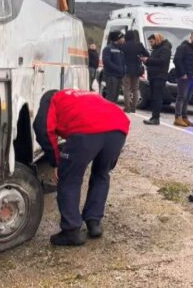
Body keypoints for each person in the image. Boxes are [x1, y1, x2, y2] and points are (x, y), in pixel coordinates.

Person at [34, 89, 130, 246]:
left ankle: (71, 231)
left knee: (70, 179)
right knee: (101, 174)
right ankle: (94, 222)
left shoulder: (51, 98)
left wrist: (56, 161)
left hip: (87, 130)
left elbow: (42, 128)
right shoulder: (83, 95)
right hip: (118, 127)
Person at [172, 31, 193, 127]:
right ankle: (178, 118)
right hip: (185, 77)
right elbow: (176, 60)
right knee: (181, 97)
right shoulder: (184, 47)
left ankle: (184, 117)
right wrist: (183, 73)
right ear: (191, 37)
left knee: (187, 98)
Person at [142, 33, 173, 125]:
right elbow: (153, 62)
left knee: (157, 97)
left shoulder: (165, 49)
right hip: (153, 76)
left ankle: (156, 118)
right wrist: (145, 61)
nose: (151, 44)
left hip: (159, 77)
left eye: (152, 42)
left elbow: (162, 61)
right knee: (154, 97)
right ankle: (153, 117)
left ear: (157, 40)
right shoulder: (156, 49)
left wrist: (148, 60)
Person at [120, 30, 149, 114]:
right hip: (136, 70)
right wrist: (140, 57)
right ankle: (133, 108)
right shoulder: (139, 45)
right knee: (135, 89)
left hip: (126, 69)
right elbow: (147, 54)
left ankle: (127, 107)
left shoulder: (123, 45)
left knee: (126, 89)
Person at [101, 32, 125, 102]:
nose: (124, 39)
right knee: (110, 97)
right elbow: (107, 62)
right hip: (111, 76)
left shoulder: (121, 49)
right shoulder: (108, 48)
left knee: (115, 98)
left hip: (119, 76)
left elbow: (123, 62)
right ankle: (106, 112)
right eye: (122, 38)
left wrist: (124, 70)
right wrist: (118, 69)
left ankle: (112, 112)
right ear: (117, 39)